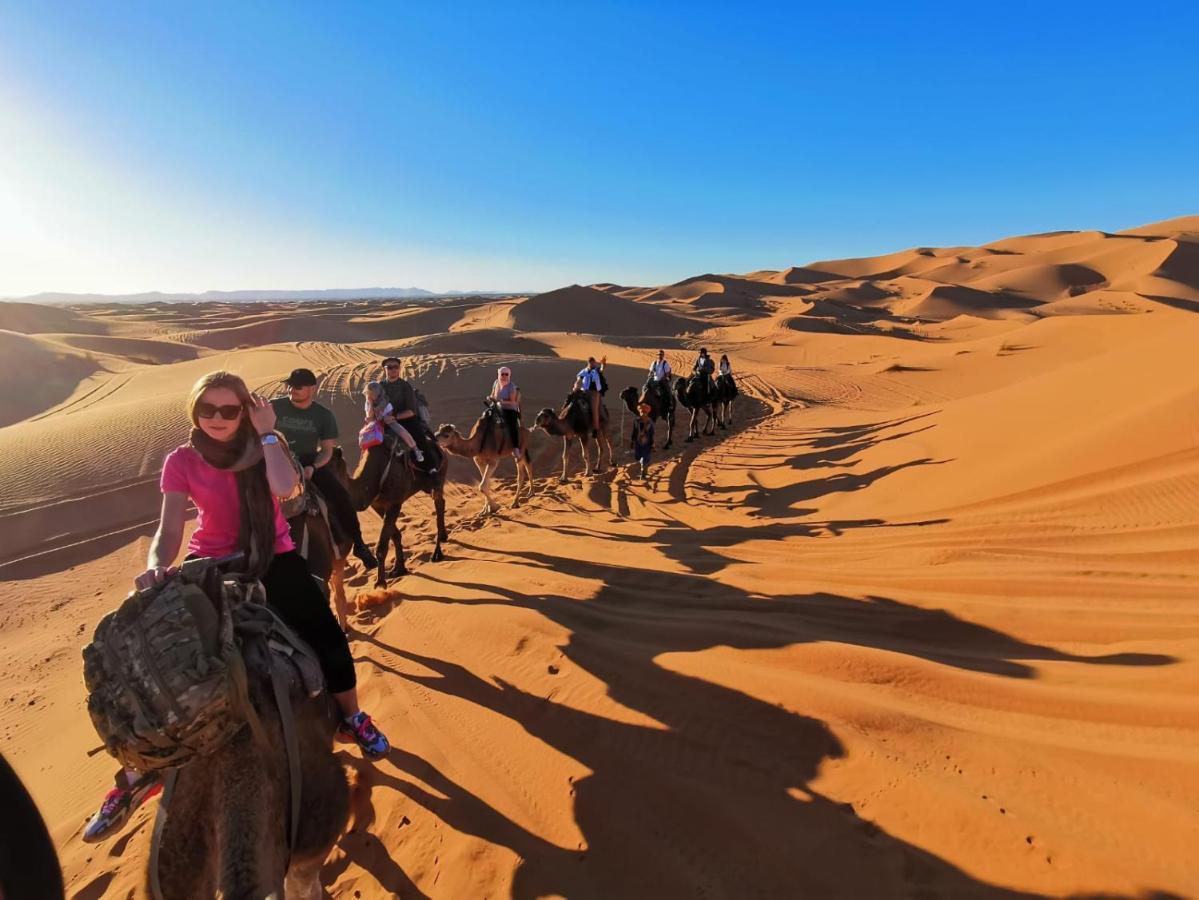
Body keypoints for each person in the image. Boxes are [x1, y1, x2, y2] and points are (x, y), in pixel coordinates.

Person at [83, 371, 390, 843]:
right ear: (194, 412)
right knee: (142, 651)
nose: (219, 419)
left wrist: (267, 432)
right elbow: (168, 531)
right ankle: (133, 772)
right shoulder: (180, 460)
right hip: (208, 562)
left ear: (245, 410)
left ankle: (352, 716)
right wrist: (154, 567)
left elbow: (287, 490)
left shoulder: (266, 444)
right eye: (208, 409)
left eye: (230, 409)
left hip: (274, 557)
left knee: (324, 630)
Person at [271, 369, 378, 570]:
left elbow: (327, 450)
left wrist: (313, 467)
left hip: (308, 461)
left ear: (312, 389)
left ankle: (360, 545)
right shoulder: (274, 407)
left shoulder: (323, 416)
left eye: (298, 386)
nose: (292, 389)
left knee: (341, 497)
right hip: (275, 461)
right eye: (290, 385)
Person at [378, 357, 438, 473]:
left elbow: (411, 411)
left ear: (399, 369)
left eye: (396, 367)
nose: (393, 370)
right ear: (384, 370)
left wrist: (394, 417)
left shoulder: (405, 386)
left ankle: (430, 469)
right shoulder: (380, 387)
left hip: (405, 419)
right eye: (389, 367)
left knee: (419, 438)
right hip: (384, 420)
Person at [362, 381, 423, 461]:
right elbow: (369, 415)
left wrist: (386, 418)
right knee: (365, 435)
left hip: (388, 421)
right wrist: (370, 404)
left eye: (374, 393)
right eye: (370, 393)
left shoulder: (385, 400)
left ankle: (415, 449)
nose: (372, 395)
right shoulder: (368, 403)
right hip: (375, 423)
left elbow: (390, 412)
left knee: (401, 431)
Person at [489, 366, 524, 460]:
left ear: (509, 375)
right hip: (498, 407)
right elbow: (492, 394)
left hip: (510, 409)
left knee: (512, 425)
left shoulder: (511, 386)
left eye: (506, 374)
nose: (504, 376)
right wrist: (490, 398)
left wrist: (501, 401)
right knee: (486, 418)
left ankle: (516, 448)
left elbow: (513, 401)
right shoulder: (496, 383)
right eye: (502, 374)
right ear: (499, 374)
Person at [572, 356, 606, 437]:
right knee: (573, 401)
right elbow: (578, 379)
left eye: (593, 362)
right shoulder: (584, 371)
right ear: (588, 363)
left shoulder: (596, 370)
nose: (592, 364)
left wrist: (603, 364)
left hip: (594, 393)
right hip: (584, 391)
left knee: (594, 409)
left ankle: (596, 429)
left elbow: (602, 369)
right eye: (591, 362)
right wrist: (576, 385)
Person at [630, 401, 655, 480]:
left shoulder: (650, 422)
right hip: (638, 443)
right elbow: (634, 431)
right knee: (638, 457)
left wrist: (653, 444)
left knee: (645, 458)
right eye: (642, 411)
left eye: (645, 411)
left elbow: (652, 434)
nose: (643, 413)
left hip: (647, 444)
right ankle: (644, 467)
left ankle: (643, 473)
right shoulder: (636, 421)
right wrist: (632, 441)